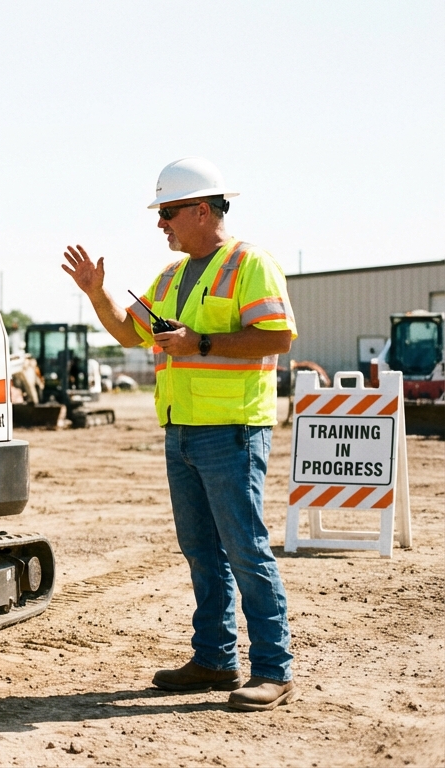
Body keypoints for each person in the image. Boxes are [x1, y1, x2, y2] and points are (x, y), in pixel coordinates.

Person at [62, 157, 299, 712]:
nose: (160, 223)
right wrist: (97, 293)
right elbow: (127, 332)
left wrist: (201, 343)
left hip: (233, 430)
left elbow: (279, 337)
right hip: (182, 430)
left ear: (200, 209)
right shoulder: (169, 278)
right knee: (200, 551)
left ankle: (273, 669)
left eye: (167, 212)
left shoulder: (249, 264)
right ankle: (215, 661)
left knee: (245, 549)